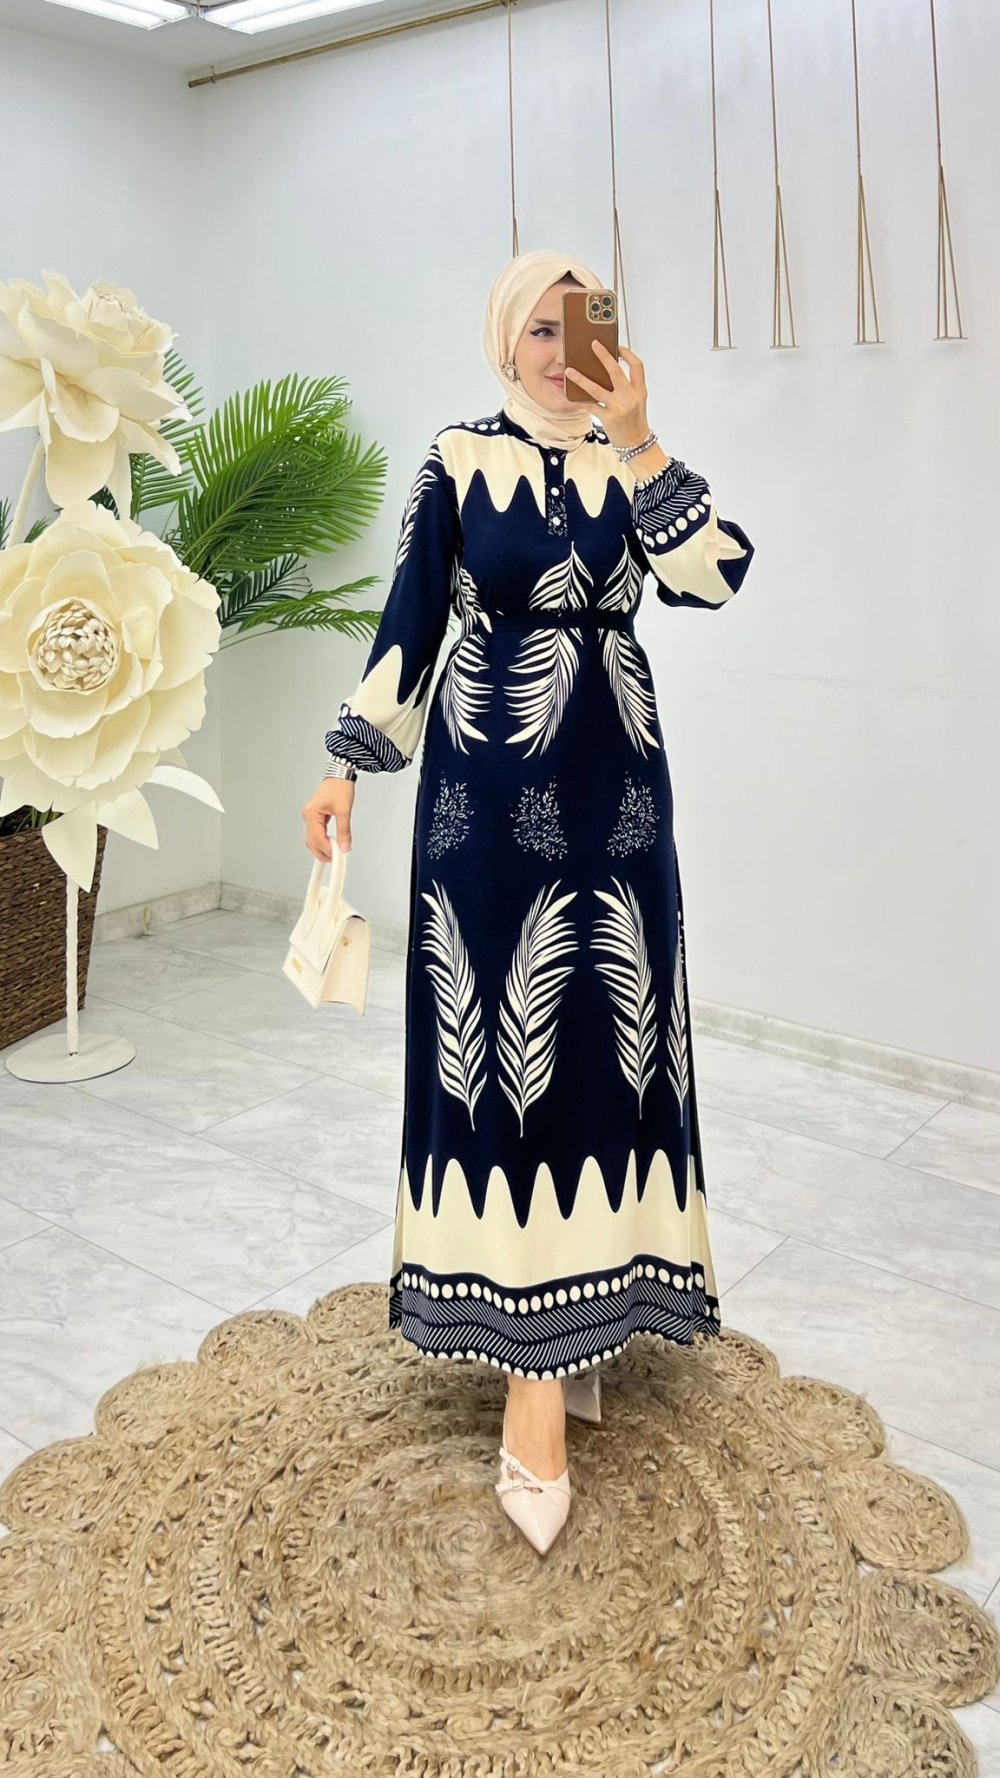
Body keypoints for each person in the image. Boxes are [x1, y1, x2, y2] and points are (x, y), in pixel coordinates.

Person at [302, 248, 754, 1555]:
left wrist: (644, 435)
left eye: (585, 326)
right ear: (505, 340)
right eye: (542, 330)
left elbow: (714, 576)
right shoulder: (456, 460)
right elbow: (409, 624)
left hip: (618, 801)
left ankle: (585, 1310)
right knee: (502, 1044)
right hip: (485, 807)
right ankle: (530, 1374)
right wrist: (342, 766)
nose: (565, 352)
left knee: (609, 1043)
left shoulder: (632, 465)